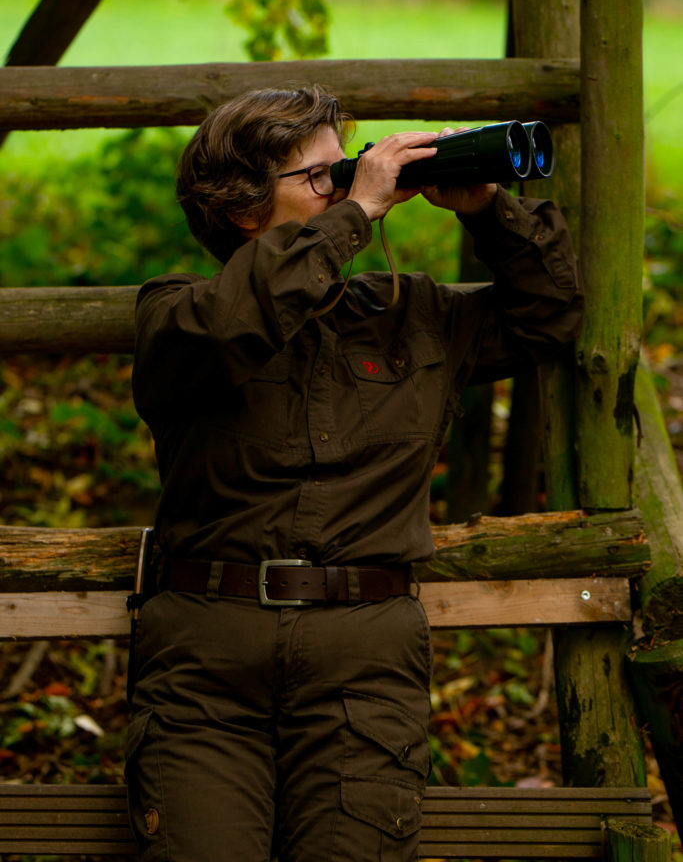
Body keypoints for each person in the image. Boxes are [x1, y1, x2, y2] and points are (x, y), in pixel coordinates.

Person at [127, 84, 583, 862]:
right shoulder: (180, 314)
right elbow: (233, 325)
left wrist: (483, 208)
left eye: (349, 170)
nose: (350, 185)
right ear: (242, 211)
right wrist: (353, 216)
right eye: (320, 178)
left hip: (363, 667)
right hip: (205, 664)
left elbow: (548, 314)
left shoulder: (412, 313)